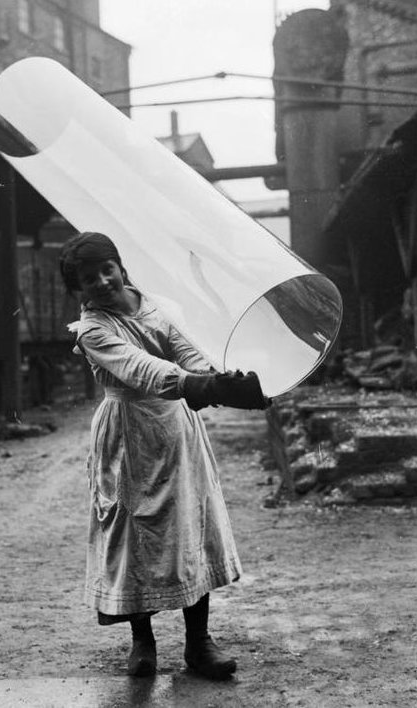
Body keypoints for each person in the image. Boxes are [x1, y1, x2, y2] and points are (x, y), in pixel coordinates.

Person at [59, 231, 268, 680]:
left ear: (119, 266)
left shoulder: (160, 306)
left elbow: (185, 351)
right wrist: (201, 388)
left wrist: (221, 378)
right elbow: (141, 369)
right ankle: (143, 640)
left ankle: (199, 643)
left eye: (105, 269)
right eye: (87, 278)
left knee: (191, 525)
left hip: (176, 428)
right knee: (138, 532)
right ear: (78, 289)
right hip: (128, 433)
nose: (100, 281)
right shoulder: (94, 329)